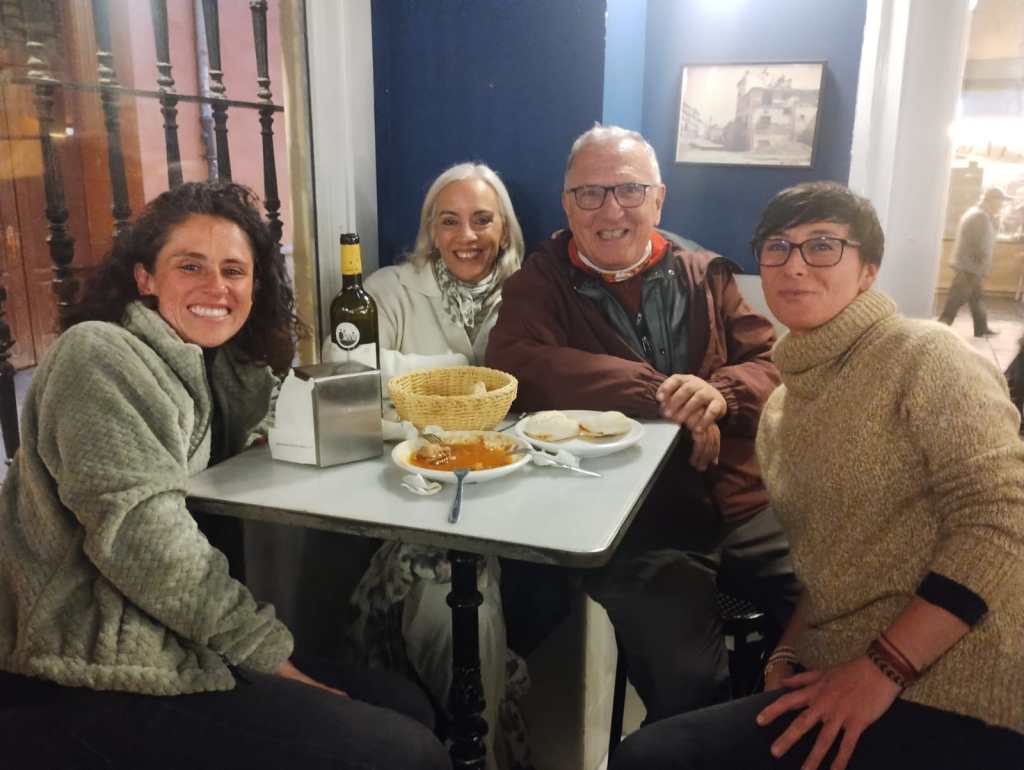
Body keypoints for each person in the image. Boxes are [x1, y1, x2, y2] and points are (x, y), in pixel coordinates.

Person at [0, 181, 450, 770]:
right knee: (407, 752)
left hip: (174, 635)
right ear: (145, 278)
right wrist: (276, 661)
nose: (216, 287)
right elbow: (148, 547)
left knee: (408, 703)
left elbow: (262, 421)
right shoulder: (99, 356)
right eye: (190, 266)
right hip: (85, 661)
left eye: (234, 271)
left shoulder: (215, 368)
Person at [610, 181, 1024, 770]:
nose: (795, 265)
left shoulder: (924, 354)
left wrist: (882, 668)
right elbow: (828, 565)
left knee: (649, 760)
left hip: (960, 683)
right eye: (777, 247)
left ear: (868, 270)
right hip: (839, 671)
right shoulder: (784, 405)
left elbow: (1002, 520)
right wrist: (786, 653)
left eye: (823, 245)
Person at [486, 125, 800, 722]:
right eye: (590, 193)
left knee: (845, 607)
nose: (611, 211)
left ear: (659, 199)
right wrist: (658, 393)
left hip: (746, 503)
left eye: (630, 190)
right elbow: (515, 365)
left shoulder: (705, 271)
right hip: (636, 524)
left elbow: (773, 366)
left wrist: (718, 395)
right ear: (567, 205)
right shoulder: (539, 282)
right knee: (689, 685)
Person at [330, 163, 530, 770]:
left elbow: (542, 396)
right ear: (430, 230)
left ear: (504, 228)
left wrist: (411, 383)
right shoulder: (388, 290)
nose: (466, 235)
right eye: (449, 221)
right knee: (454, 596)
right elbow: (350, 386)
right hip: (410, 490)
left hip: (508, 491)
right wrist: (458, 386)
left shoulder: (532, 293)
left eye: (482, 219)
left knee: (466, 594)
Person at [938, 186, 1008, 337]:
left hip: (970, 266)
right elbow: (979, 244)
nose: (1002, 205)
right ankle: (939, 330)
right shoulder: (980, 217)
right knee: (955, 301)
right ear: (992, 200)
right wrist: (982, 265)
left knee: (977, 299)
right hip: (970, 267)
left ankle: (981, 328)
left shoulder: (981, 214)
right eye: (1000, 201)